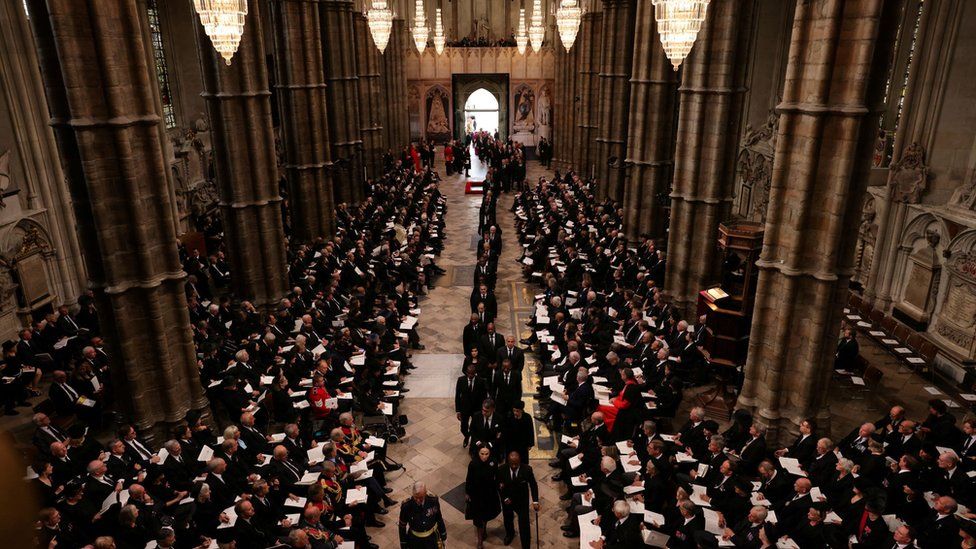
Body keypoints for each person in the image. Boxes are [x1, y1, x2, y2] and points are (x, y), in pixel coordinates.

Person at [497, 450, 539, 548]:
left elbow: (533, 485)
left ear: (520, 461)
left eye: (516, 464)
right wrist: (505, 498)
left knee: (524, 524)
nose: (514, 467)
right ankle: (510, 534)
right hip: (508, 500)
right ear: (508, 462)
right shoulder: (501, 470)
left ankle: (525, 545)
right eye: (512, 464)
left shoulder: (527, 469)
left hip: (522, 501)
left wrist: (535, 501)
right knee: (507, 518)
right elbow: (499, 486)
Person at [465, 447, 501, 548]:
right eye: (482, 453)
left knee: (486, 515)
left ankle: (484, 528)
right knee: (478, 518)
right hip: (477, 495)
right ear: (478, 453)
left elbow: (496, 476)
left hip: (489, 494)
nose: (484, 456)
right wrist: (467, 492)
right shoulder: (473, 464)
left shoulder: (493, 463)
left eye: (486, 454)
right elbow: (469, 479)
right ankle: (480, 540)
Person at [398, 482, 447, 548]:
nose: (418, 500)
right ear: (412, 493)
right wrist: (403, 544)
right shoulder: (406, 506)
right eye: (416, 497)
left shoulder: (433, 501)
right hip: (415, 540)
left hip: (432, 538)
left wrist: (443, 535)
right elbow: (402, 527)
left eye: (420, 497)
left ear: (425, 493)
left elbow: (439, 519)